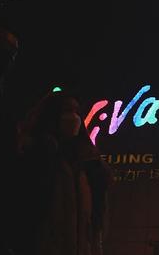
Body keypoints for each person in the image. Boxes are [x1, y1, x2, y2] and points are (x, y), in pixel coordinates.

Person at [15, 91, 111, 255]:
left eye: (76, 111)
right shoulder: (37, 156)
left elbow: (95, 221)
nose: (73, 117)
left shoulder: (88, 164)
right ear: (53, 116)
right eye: (67, 111)